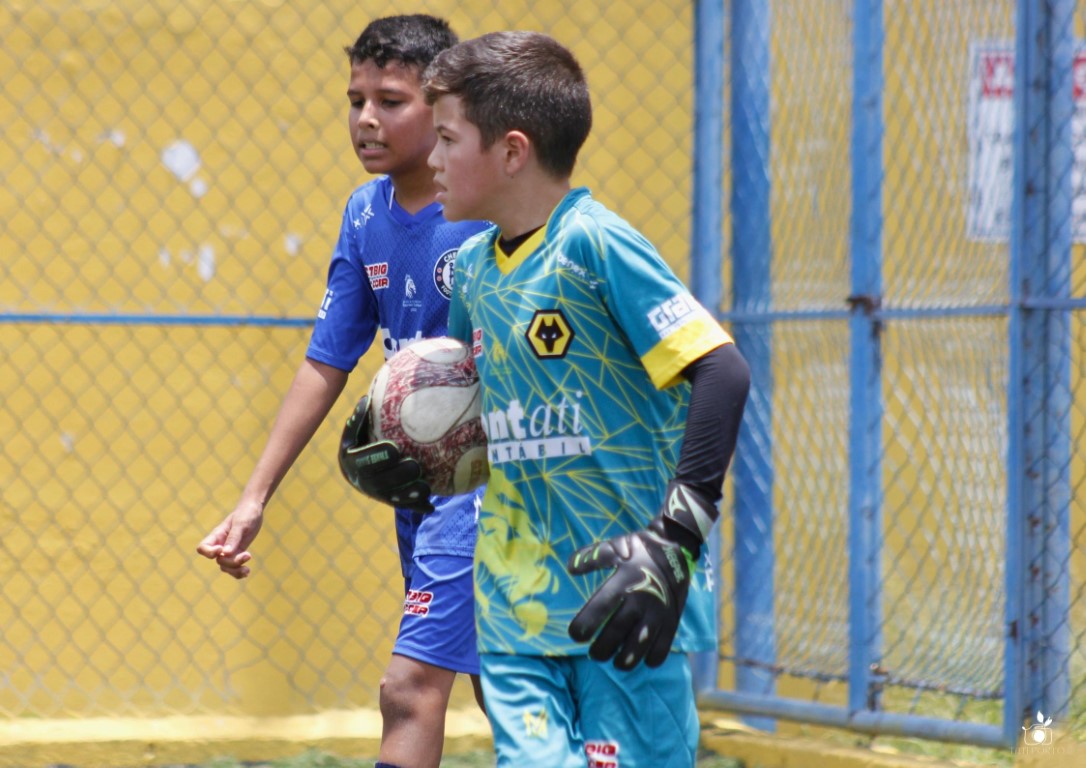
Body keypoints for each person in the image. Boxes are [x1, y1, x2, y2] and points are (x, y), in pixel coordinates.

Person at [421, 30, 751, 768]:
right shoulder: (471, 271)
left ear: (512, 151)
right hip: (514, 604)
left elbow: (723, 372)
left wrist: (675, 539)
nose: (431, 159)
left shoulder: (596, 245)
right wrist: (416, 451)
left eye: (446, 139)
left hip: (627, 597)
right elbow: (466, 416)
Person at [195, 15, 489, 768]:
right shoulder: (365, 215)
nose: (365, 119)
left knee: (410, 687)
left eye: (390, 101)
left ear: (442, 107)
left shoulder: (487, 217)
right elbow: (326, 360)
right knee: (503, 687)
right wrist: (253, 499)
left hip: (486, 490)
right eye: (356, 100)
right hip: (421, 488)